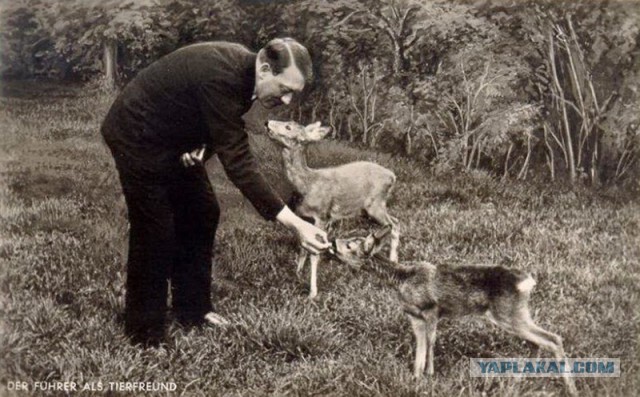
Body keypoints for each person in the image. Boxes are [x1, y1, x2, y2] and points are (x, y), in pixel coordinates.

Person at [101, 38, 330, 347]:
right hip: (136, 134)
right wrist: (296, 223)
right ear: (265, 68)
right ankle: (144, 331)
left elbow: (213, 117)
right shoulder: (224, 75)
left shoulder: (244, 74)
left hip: (173, 138)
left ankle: (193, 310)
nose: (288, 101)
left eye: (294, 94)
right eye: (285, 89)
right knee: (155, 227)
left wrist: (201, 144)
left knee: (203, 211)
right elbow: (239, 162)